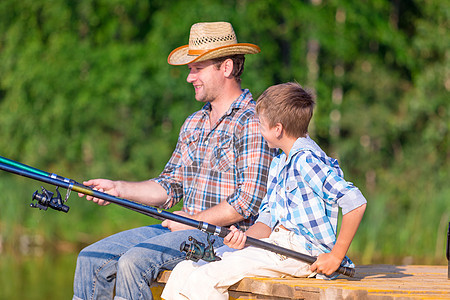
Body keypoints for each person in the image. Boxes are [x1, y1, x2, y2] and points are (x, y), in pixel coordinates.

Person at [72, 22, 276, 300]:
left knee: (133, 263)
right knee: (91, 257)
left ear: (226, 68)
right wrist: (119, 188)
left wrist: (193, 221)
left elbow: (247, 201)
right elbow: (169, 186)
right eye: (190, 70)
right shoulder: (193, 123)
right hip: (182, 228)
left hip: (223, 237)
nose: (190, 78)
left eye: (197, 68)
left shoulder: (251, 122)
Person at [161, 82, 367, 300]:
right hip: (276, 245)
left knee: (205, 277)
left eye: (260, 124)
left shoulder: (306, 161)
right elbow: (267, 219)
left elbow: (355, 202)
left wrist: (336, 256)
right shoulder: (279, 163)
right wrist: (243, 238)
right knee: (187, 269)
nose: (257, 129)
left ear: (277, 129)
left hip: (302, 253)